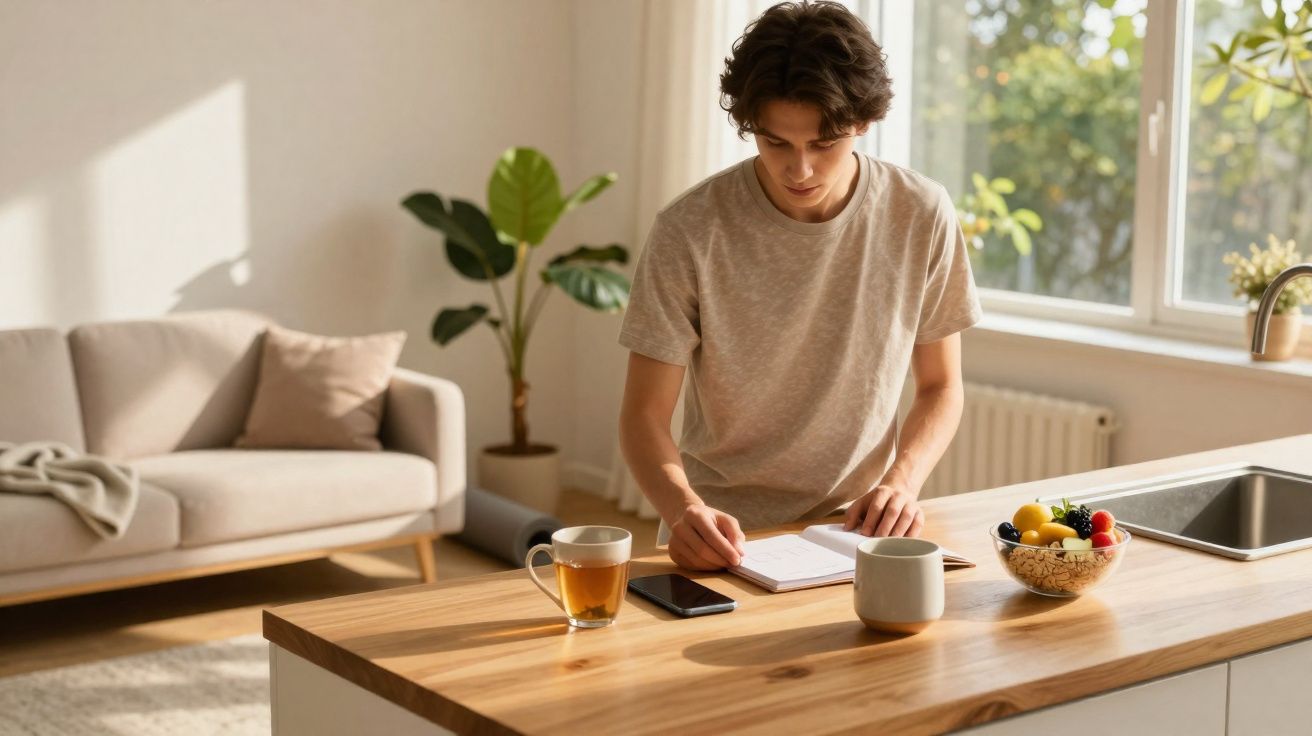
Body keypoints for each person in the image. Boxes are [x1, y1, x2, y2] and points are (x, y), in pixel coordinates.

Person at [617, 0, 982, 572]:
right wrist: (684, 507)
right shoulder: (690, 229)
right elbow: (643, 415)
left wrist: (901, 483)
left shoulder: (920, 213)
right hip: (720, 535)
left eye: (823, 143)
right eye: (776, 143)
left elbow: (941, 386)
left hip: (856, 529)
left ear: (864, 122)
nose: (800, 170)